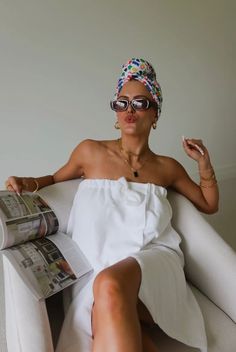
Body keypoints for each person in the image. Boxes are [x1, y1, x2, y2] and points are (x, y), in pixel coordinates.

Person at [5, 58, 218, 352]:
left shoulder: (167, 168)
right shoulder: (90, 151)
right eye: (122, 103)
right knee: (106, 301)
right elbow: (54, 178)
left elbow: (208, 203)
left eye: (140, 103)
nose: (129, 110)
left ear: (155, 114)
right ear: (115, 113)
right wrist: (29, 182)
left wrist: (204, 165)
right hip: (98, 268)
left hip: (153, 265)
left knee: (109, 286)